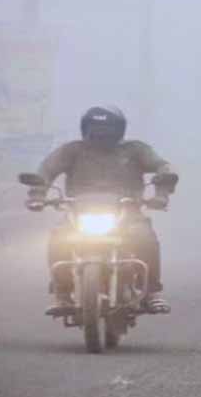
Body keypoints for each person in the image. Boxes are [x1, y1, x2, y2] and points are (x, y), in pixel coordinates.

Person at [26, 106, 178, 315]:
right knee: (59, 238)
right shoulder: (72, 150)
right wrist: (37, 195)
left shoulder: (136, 150)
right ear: (85, 128)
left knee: (145, 237)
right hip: (79, 212)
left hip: (127, 212)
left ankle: (151, 292)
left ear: (119, 129)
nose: (101, 133)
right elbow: (46, 170)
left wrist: (161, 193)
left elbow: (163, 167)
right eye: (95, 127)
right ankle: (62, 294)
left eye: (107, 128)